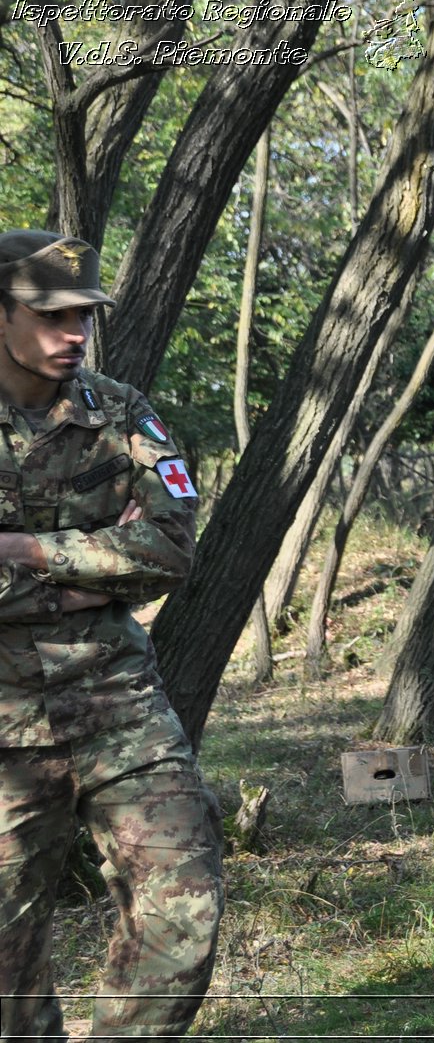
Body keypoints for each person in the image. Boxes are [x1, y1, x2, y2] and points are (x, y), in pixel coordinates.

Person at [0, 230, 223, 1037]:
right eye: (50, 315)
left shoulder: (119, 410)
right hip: (5, 719)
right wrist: (94, 569)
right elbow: (131, 558)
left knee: (184, 910)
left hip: (118, 702)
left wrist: (26, 552)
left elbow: (170, 549)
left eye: (84, 316)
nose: (73, 334)